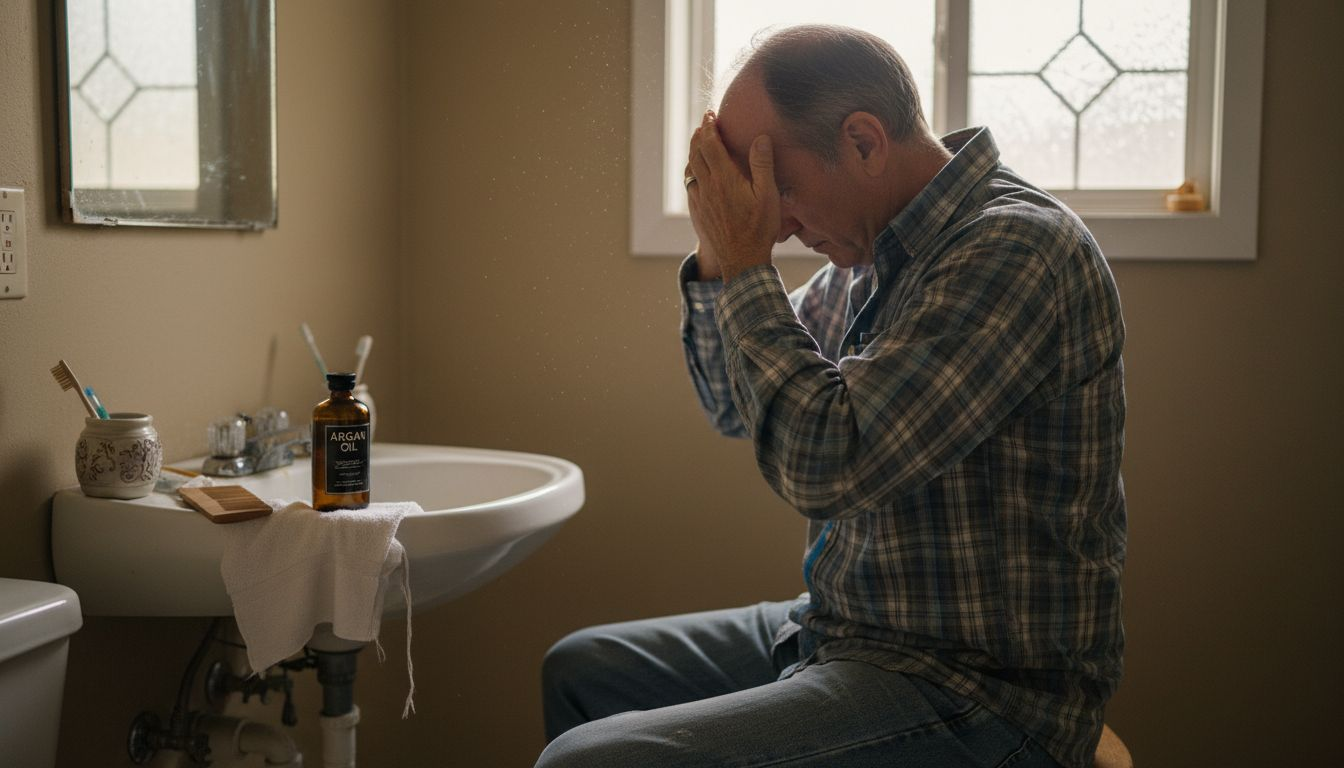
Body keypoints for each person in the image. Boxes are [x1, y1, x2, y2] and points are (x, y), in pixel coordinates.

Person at [537, 24, 1125, 768]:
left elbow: (830, 464)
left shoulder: (1015, 251)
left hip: (980, 691)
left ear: (864, 143)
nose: (776, 225)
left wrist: (752, 273)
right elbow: (731, 403)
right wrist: (721, 255)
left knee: (586, 760)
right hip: (847, 631)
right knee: (582, 672)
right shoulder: (871, 253)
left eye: (779, 186)